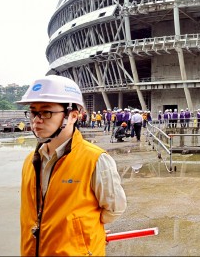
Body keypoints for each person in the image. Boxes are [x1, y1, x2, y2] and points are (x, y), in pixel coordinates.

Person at [17, 75, 127, 256]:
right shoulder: (30, 160)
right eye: (33, 112)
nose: (36, 120)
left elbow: (114, 208)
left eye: (46, 112)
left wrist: (82, 231)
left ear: (73, 116)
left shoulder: (95, 160)